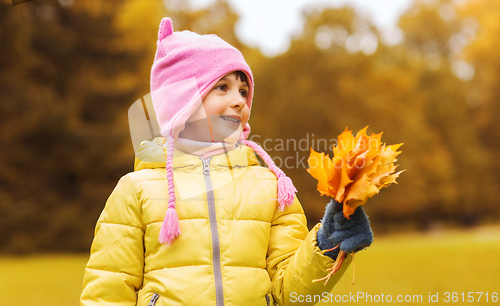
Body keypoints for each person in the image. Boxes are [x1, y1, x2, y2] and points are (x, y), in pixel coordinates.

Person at [80, 18, 373, 306]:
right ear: (182, 99)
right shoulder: (136, 190)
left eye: (243, 91)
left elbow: (288, 294)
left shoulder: (270, 187)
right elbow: (107, 292)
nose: (240, 101)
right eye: (223, 87)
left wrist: (326, 245)